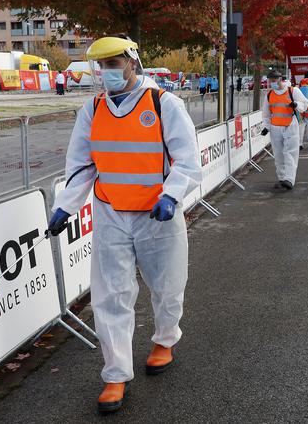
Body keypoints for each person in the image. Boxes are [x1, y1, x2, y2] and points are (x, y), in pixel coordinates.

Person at [47, 36, 201, 413]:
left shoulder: (163, 103)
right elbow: (82, 164)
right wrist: (66, 206)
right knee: (110, 294)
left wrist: (172, 194)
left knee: (166, 285)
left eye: (113, 63)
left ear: (132, 62)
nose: (106, 73)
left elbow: (187, 159)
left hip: (156, 214)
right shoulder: (93, 108)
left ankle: (165, 339)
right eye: (101, 66)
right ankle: (115, 375)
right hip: (111, 211)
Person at [260, 70, 308, 190]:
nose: (272, 83)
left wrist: (296, 105)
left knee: (290, 153)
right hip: (275, 128)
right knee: (278, 154)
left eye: (274, 81)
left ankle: (289, 179)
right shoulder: (269, 95)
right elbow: (266, 114)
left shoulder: (293, 91)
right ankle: (282, 178)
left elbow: (304, 103)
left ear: (280, 79)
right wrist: (266, 127)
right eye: (270, 81)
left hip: (290, 126)